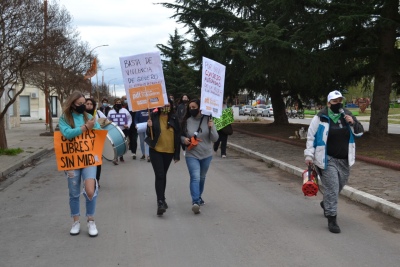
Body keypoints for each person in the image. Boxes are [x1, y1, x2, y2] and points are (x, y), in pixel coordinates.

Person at [304, 90, 364, 234]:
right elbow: (311, 137)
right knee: (332, 187)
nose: (338, 103)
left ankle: (326, 203)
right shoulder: (320, 117)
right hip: (327, 159)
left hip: (344, 159)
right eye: (335, 101)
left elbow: (359, 133)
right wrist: (309, 155)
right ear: (329, 103)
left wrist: (353, 122)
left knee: (339, 186)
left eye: (340, 101)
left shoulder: (347, 115)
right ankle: (332, 218)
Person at [58, 91, 101, 237]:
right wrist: (85, 128)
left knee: (90, 190)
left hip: (88, 159)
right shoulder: (65, 118)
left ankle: (91, 220)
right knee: (74, 191)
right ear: (72, 104)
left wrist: (96, 126)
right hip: (72, 160)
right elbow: (67, 134)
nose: (83, 106)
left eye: (84, 103)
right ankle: (75, 221)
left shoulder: (88, 117)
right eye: (80, 104)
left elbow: (100, 134)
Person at [181, 99, 219, 214]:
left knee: (202, 177)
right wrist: (184, 140)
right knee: (195, 177)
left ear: (200, 108)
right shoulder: (186, 121)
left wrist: (211, 128)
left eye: (194, 107)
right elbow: (180, 136)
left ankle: (199, 196)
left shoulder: (208, 120)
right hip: (192, 154)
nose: (192, 109)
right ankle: (195, 202)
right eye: (190, 108)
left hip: (206, 154)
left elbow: (215, 139)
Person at [145, 100, 181, 216]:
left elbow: (178, 136)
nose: (165, 107)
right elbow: (149, 134)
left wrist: (177, 155)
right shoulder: (154, 116)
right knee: (160, 175)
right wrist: (148, 126)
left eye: (168, 105)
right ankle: (160, 202)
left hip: (169, 151)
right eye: (163, 105)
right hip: (156, 150)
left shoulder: (174, 119)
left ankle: (163, 198)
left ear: (171, 106)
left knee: (163, 175)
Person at [85, 98, 106, 188]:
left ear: (94, 105)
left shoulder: (98, 113)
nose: (89, 105)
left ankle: (96, 180)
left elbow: (105, 121)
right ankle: (88, 181)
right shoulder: (81, 114)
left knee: (97, 161)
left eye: (91, 104)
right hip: (85, 142)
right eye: (87, 103)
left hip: (96, 141)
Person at [107, 98, 132, 164]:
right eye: (117, 102)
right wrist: (110, 122)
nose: (118, 103)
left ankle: (121, 156)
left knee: (123, 143)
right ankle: (115, 158)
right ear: (114, 103)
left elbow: (130, 119)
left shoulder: (125, 110)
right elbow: (107, 120)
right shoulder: (111, 111)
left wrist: (128, 125)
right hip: (114, 130)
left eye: (119, 102)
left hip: (123, 129)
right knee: (115, 144)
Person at [121, 95, 138, 159]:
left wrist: (136, 123)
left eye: (127, 98)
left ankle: (134, 153)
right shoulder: (121, 108)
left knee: (133, 139)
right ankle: (121, 154)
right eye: (125, 99)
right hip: (124, 126)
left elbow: (136, 115)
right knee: (123, 140)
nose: (126, 100)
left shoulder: (133, 107)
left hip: (133, 126)